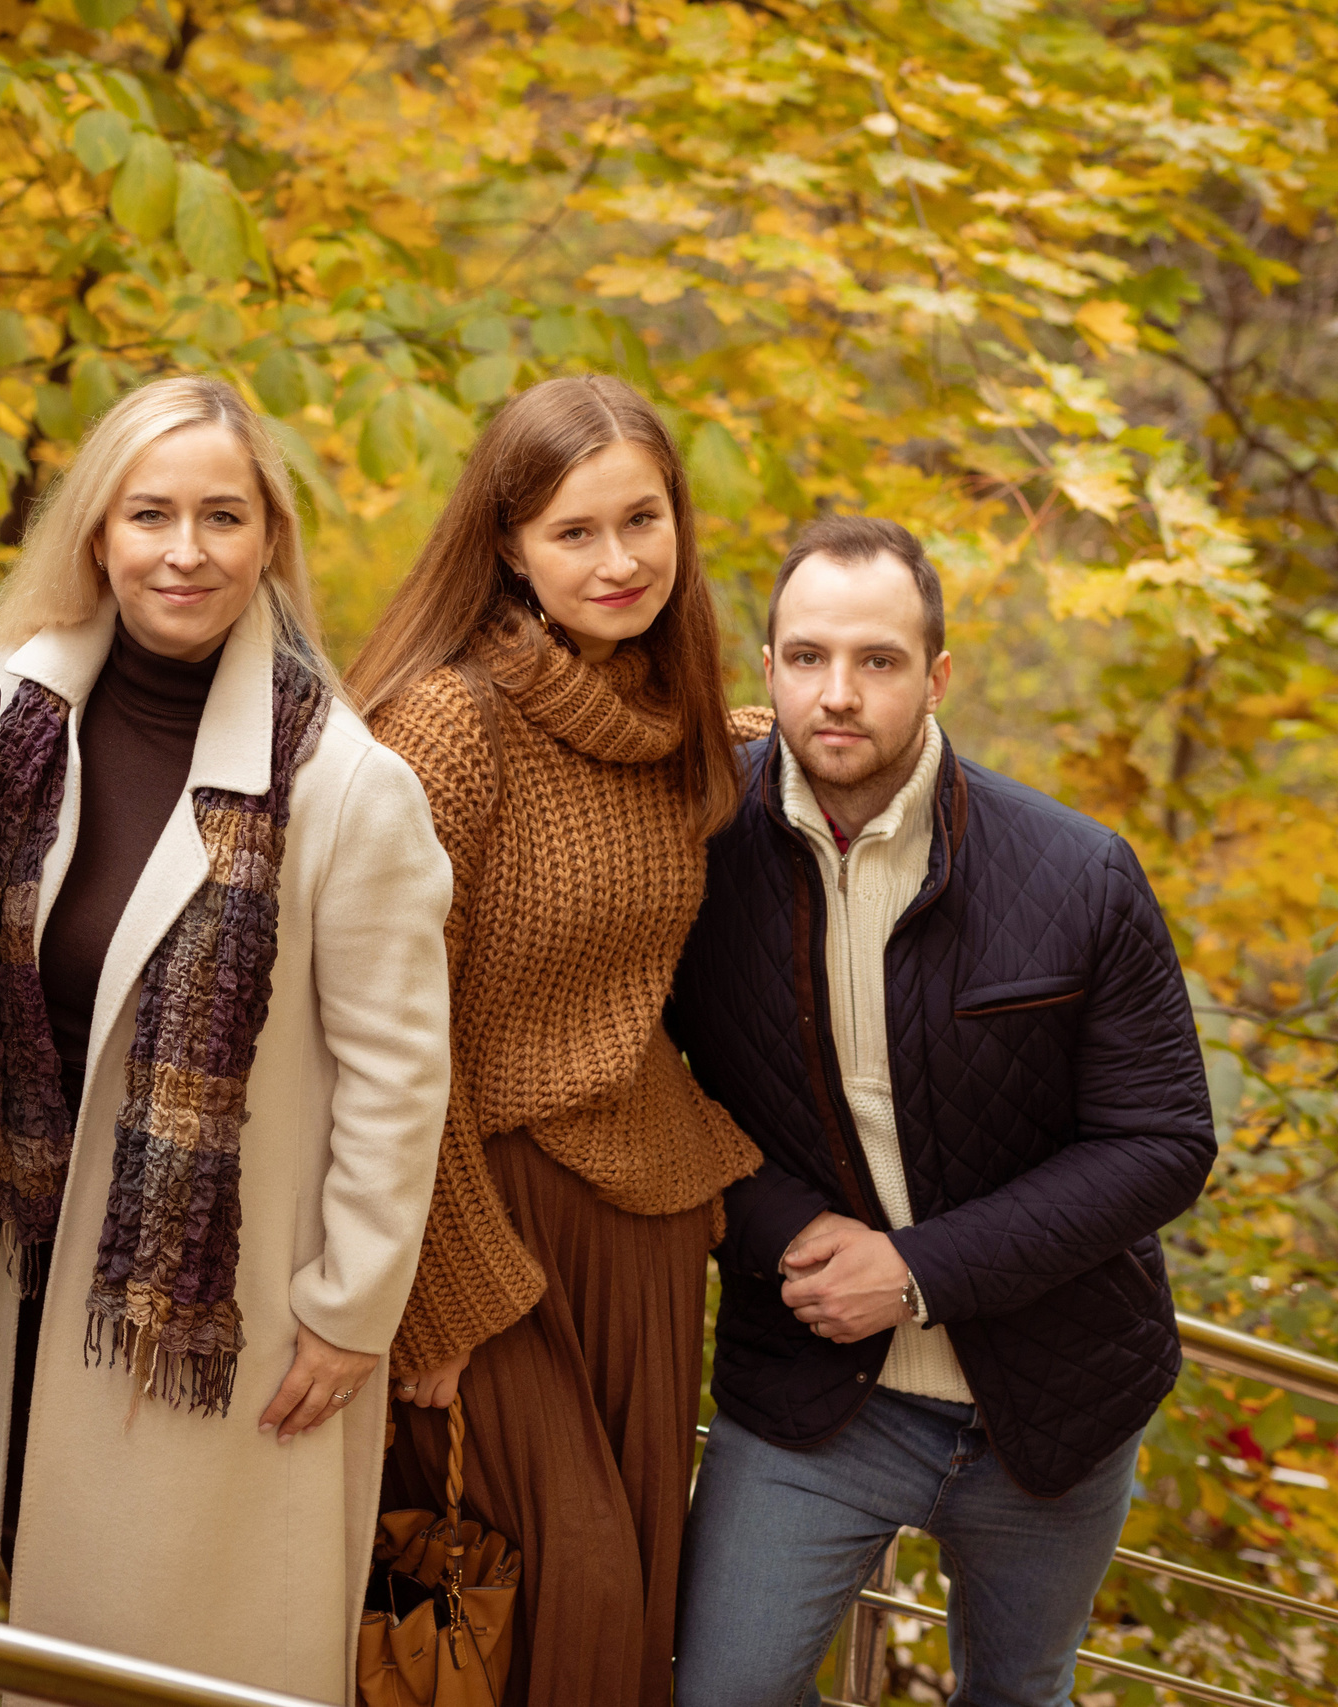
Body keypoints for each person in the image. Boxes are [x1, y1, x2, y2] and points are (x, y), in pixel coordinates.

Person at [0, 376, 455, 1703]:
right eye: (150, 513)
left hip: (207, 1304)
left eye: (221, 515)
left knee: (152, 1657)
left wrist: (351, 1309)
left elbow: (398, 1075)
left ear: (269, 539)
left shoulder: (345, 785)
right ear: (98, 532)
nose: (184, 550)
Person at [668, 515, 1217, 1707]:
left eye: (877, 661)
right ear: (765, 670)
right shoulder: (693, 859)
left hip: (1057, 1401)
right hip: (812, 1395)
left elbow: (1163, 1142)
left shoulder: (1076, 871)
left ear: (937, 676)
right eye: (806, 657)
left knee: (1018, 1697)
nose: (838, 694)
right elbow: (651, 1087)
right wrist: (774, 1231)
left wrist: (914, 1273)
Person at [342, 375, 762, 1706]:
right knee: (556, 1602)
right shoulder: (447, 725)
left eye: (644, 519)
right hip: (485, 1228)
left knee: (627, 1623)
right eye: (576, 531)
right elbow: (381, 1026)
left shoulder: (676, 726)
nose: (620, 559)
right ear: (509, 543)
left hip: (638, 1231)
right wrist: (438, 1295)